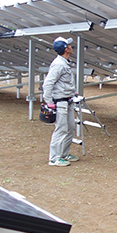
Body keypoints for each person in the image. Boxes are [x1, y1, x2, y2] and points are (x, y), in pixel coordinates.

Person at [43, 36, 79, 167]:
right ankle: (54, 158)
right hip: (60, 103)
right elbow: (48, 83)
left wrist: (72, 92)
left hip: (67, 101)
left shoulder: (64, 62)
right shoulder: (58, 64)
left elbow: (63, 83)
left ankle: (64, 154)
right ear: (66, 49)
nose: (71, 47)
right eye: (69, 45)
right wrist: (49, 101)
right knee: (61, 129)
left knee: (70, 128)